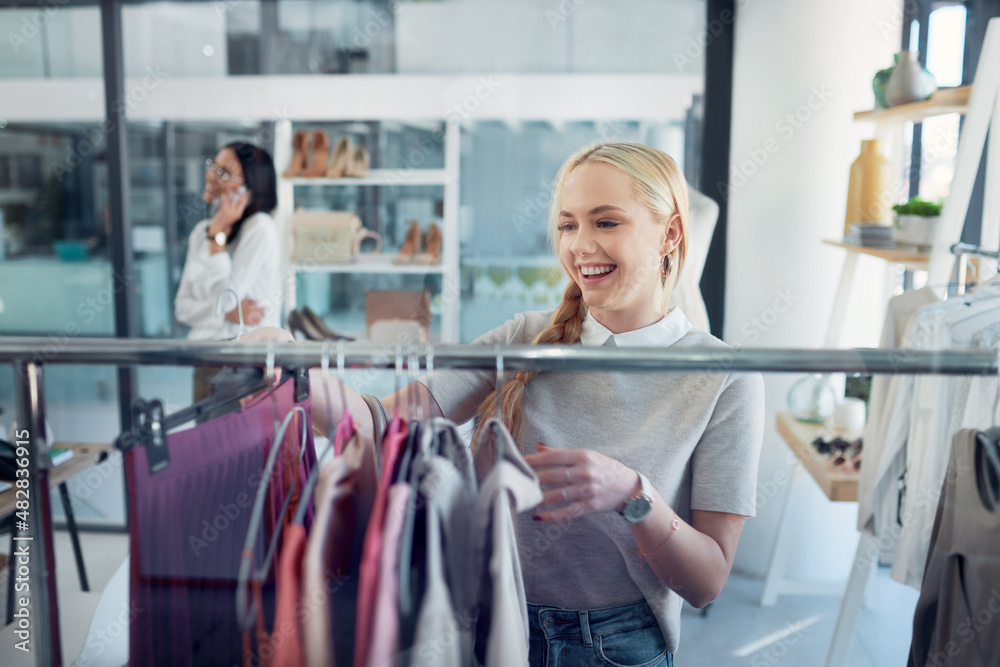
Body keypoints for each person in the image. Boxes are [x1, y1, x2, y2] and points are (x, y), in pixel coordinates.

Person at [302, 142, 764, 666]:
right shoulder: (524, 337)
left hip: (617, 647)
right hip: (491, 628)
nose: (581, 245)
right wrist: (290, 374)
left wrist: (633, 495)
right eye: (568, 226)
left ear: (671, 233)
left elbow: (707, 581)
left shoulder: (725, 377)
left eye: (606, 223)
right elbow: (380, 423)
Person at [175, 141, 281, 401]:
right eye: (213, 166)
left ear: (250, 186)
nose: (211, 175)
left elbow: (226, 296)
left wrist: (218, 237)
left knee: (243, 441)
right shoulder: (203, 232)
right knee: (204, 439)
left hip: (245, 364)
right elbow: (182, 308)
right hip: (203, 359)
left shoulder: (260, 228)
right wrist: (226, 313)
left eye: (224, 171)